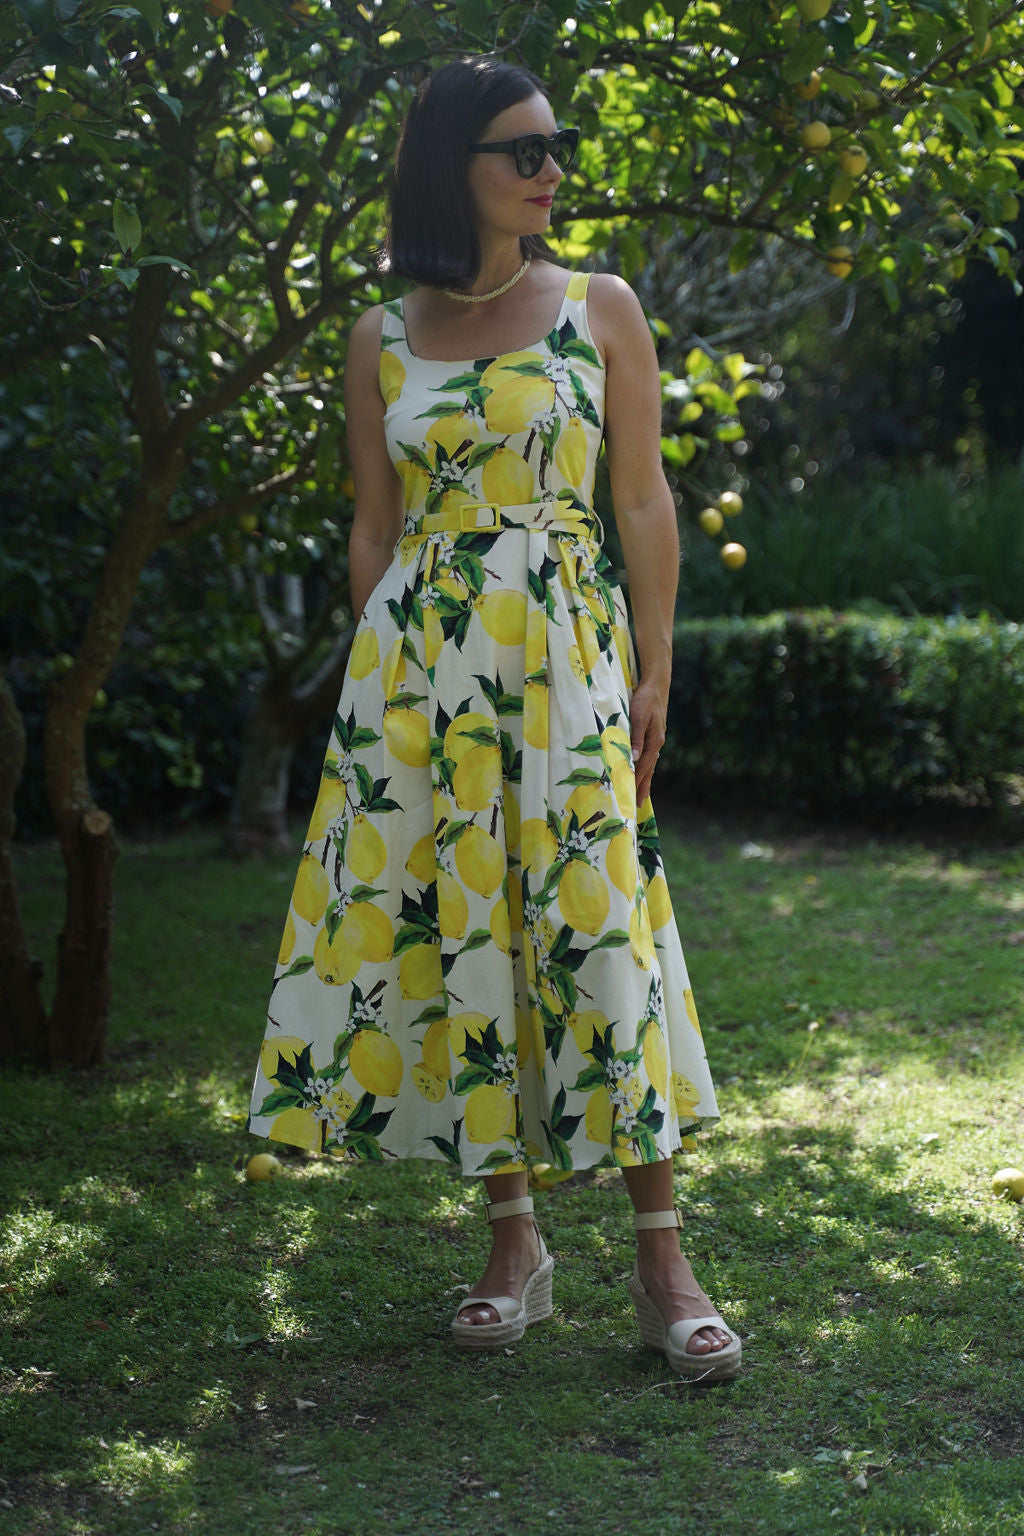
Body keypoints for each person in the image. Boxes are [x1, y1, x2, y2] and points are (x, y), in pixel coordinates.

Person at [248, 55, 741, 1383]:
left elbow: (641, 497)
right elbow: (376, 526)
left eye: (554, 146)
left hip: (566, 657)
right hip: (421, 675)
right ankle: (512, 1242)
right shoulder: (381, 335)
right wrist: (377, 685)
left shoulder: (598, 307)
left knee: (598, 930)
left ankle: (663, 1261)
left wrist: (654, 666)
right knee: (468, 923)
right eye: (522, 150)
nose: (549, 170)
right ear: (450, 167)